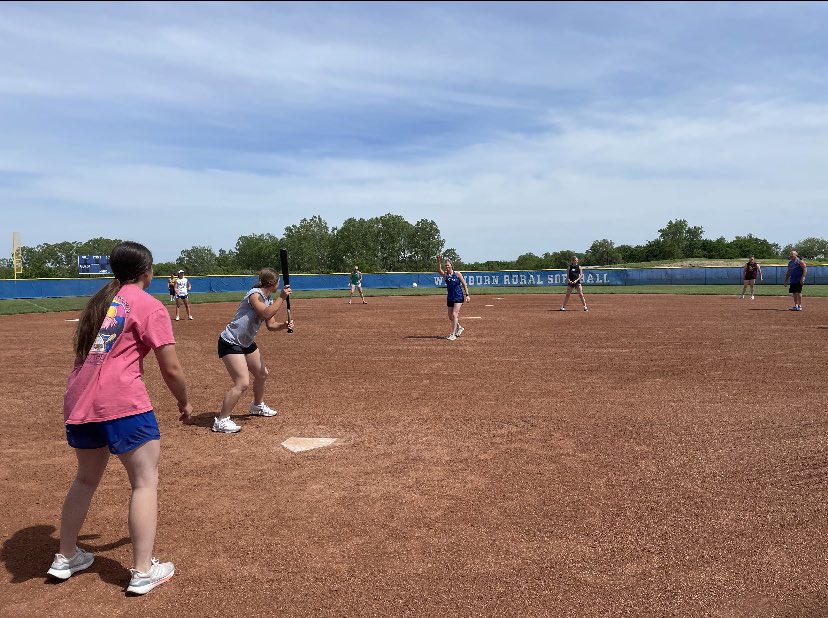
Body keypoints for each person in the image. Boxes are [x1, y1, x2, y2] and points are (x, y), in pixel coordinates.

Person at [48, 241, 192, 595]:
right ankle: (143, 572)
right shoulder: (148, 304)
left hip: (80, 402)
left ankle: (66, 557)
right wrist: (184, 401)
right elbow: (170, 367)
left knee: (84, 480)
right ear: (147, 272)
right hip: (123, 403)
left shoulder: (100, 302)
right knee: (144, 482)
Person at [213, 268, 293, 434]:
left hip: (246, 342)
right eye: (278, 282)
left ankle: (257, 405)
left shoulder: (269, 300)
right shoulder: (254, 294)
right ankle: (221, 420)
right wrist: (282, 298)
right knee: (242, 383)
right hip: (231, 341)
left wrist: (284, 325)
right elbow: (265, 313)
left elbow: (271, 325)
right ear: (272, 283)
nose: (279, 285)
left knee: (262, 373)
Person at [436, 254, 470, 341]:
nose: (446, 266)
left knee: (455, 314)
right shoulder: (445, 275)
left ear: (451, 265)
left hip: (458, 296)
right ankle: (460, 327)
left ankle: (453, 334)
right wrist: (439, 261)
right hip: (450, 297)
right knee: (450, 316)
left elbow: (464, 284)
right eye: (445, 265)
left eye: (448, 265)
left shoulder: (457, 274)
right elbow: (439, 270)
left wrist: (467, 295)